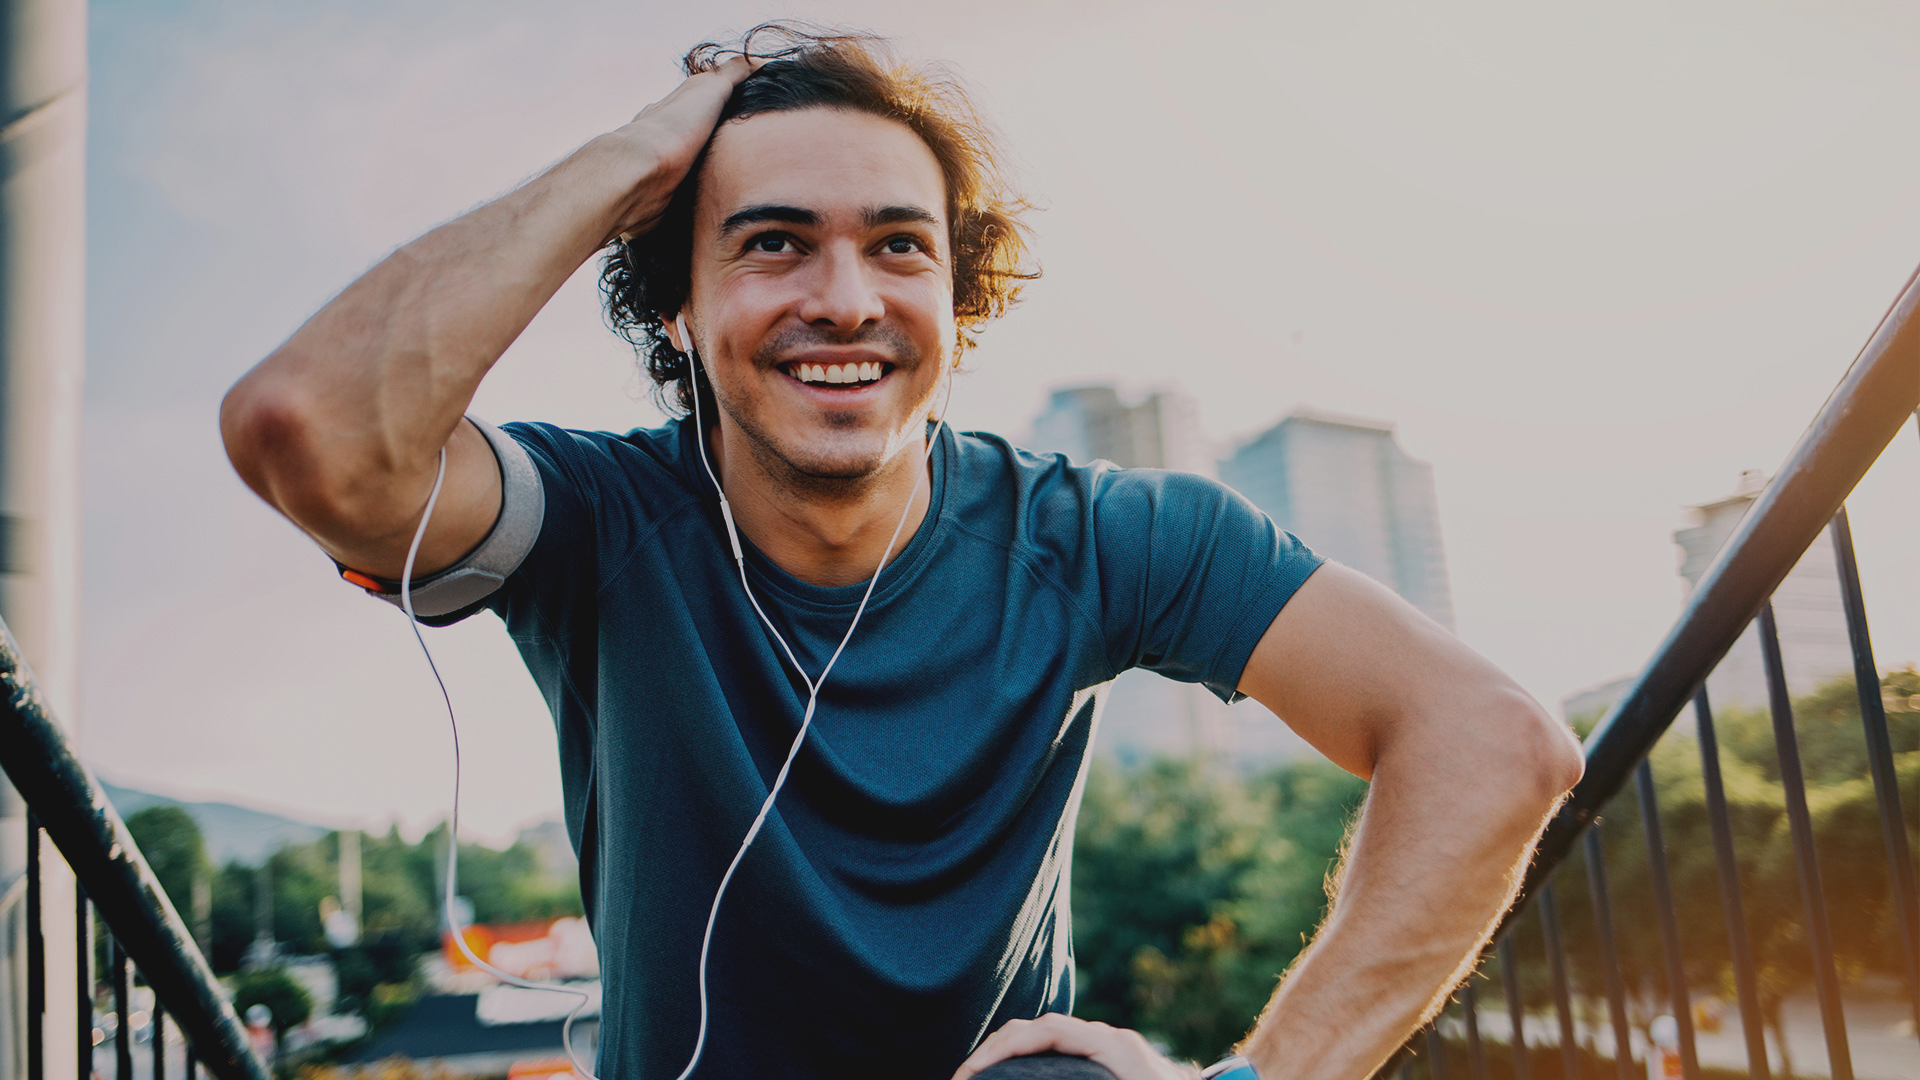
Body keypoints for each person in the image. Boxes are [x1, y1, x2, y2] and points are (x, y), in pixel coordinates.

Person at [220, 24, 1584, 1080]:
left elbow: (1493, 743)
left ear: (956, 298)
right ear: (678, 313)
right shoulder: (596, 520)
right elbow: (311, 432)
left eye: (898, 247)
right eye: (771, 245)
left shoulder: (1101, 532)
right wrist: (640, 156)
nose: (846, 300)